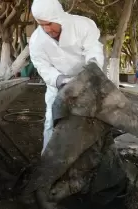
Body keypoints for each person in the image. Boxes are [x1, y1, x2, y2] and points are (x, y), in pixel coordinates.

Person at [29, 0, 104, 155]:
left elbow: (93, 49)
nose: (47, 29)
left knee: (90, 119)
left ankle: (87, 157)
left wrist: (92, 68)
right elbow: (42, 67)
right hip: (58, 84)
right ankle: (48, 162)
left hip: (86, 81)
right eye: (41, 25)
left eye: (49, 23)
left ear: (58, 17)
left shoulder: (83, 25)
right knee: (51, 121)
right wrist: (61, 81)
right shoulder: (36, 40)